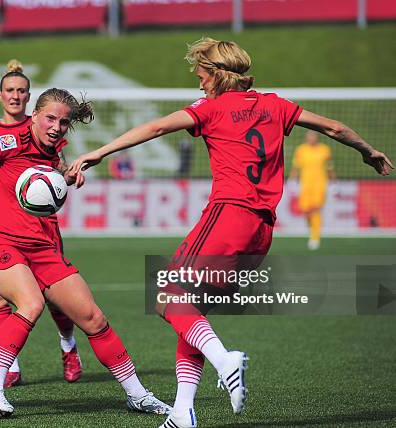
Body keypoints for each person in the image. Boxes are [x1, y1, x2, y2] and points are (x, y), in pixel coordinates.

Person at [69, 38, 393, 428]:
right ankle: (183, 412)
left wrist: (96, 153)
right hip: (262, 229)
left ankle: (226, 360)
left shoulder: (211, 108)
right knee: (192, 311)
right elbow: (335, 127)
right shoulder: (276, 104)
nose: (199, 85)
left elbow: (156, 127)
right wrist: (366, 149)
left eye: (202, 76)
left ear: (217, 76)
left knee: (168, 298)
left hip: (228, 215)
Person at [0, 88, 171, 417]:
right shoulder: (8, 139)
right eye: (50, 119)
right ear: (35, 114)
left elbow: (47, 181)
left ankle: (137, 394)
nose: (56, 127)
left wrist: (66, 176)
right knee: (31, 303)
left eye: (64, 122)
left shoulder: (52, 149)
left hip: (42, 245)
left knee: (93, 317)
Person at [0, 60, 83, 387]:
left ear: (30, 98)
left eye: (22, 91)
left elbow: (55, 172)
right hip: (0, 227)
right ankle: (11, 367)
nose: (16, 96)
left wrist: (68, 174)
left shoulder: (45, 130)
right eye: (10, 90)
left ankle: (68, 347)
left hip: (41, 227)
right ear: (0, 95)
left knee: (53, 296)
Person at [290, 130, 335, 250]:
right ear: (306, 138)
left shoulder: (325, 150)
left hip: (320, 185)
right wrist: (292, 181)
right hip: (305, 185)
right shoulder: (301, 150)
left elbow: (330, 167)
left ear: (317, 138)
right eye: (309, 136)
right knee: (305, 210)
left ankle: (315, 237)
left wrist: (333, 182)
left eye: (314, 136)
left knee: (315, 209)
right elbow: (296, 167)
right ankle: (312, 230)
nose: (312, 138)